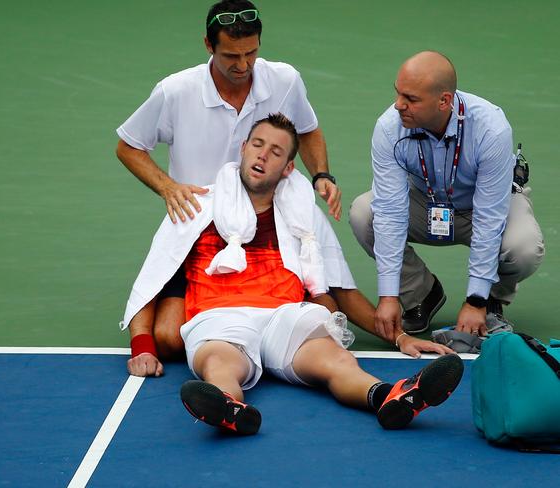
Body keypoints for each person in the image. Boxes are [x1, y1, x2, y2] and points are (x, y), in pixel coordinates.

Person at [123, 114, 461, 435]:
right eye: (257, 144)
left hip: (284, 316)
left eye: (275, 152)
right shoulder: (196, 206)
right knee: (218, 364)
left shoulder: (303, 216)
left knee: (336, 359)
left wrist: (400, 337)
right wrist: (141, 347)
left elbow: (342, 289)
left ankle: (391, 396)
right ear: (243, 149)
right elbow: (151, 280)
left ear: (287, 168)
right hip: (219, 319)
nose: (262, 156)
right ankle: (229, 408)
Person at [116, 0, 372, 359]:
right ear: (208, 46)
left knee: (324, 308)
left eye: (251, 53)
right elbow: (128, 147)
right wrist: (169, 188)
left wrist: (321, 176)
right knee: (169, 338)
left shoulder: (284, 79)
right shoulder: (175, 91)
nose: (243, 65)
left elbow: (309, 131)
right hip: (200, 222)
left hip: (272, 215)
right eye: (231, 56)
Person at [349, 51, 545, 341]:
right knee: (364, 214)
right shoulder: (389, 127)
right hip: (426, 203)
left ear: (444, 101)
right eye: (398, 93)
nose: (398, 105)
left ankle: (491, 301)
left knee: (524, 247)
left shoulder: (490, 128)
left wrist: (475, 299)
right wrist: (388, 295)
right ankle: (421, 295)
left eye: (411, 99)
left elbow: (490, 217)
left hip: (484, 207)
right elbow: (390, 211)